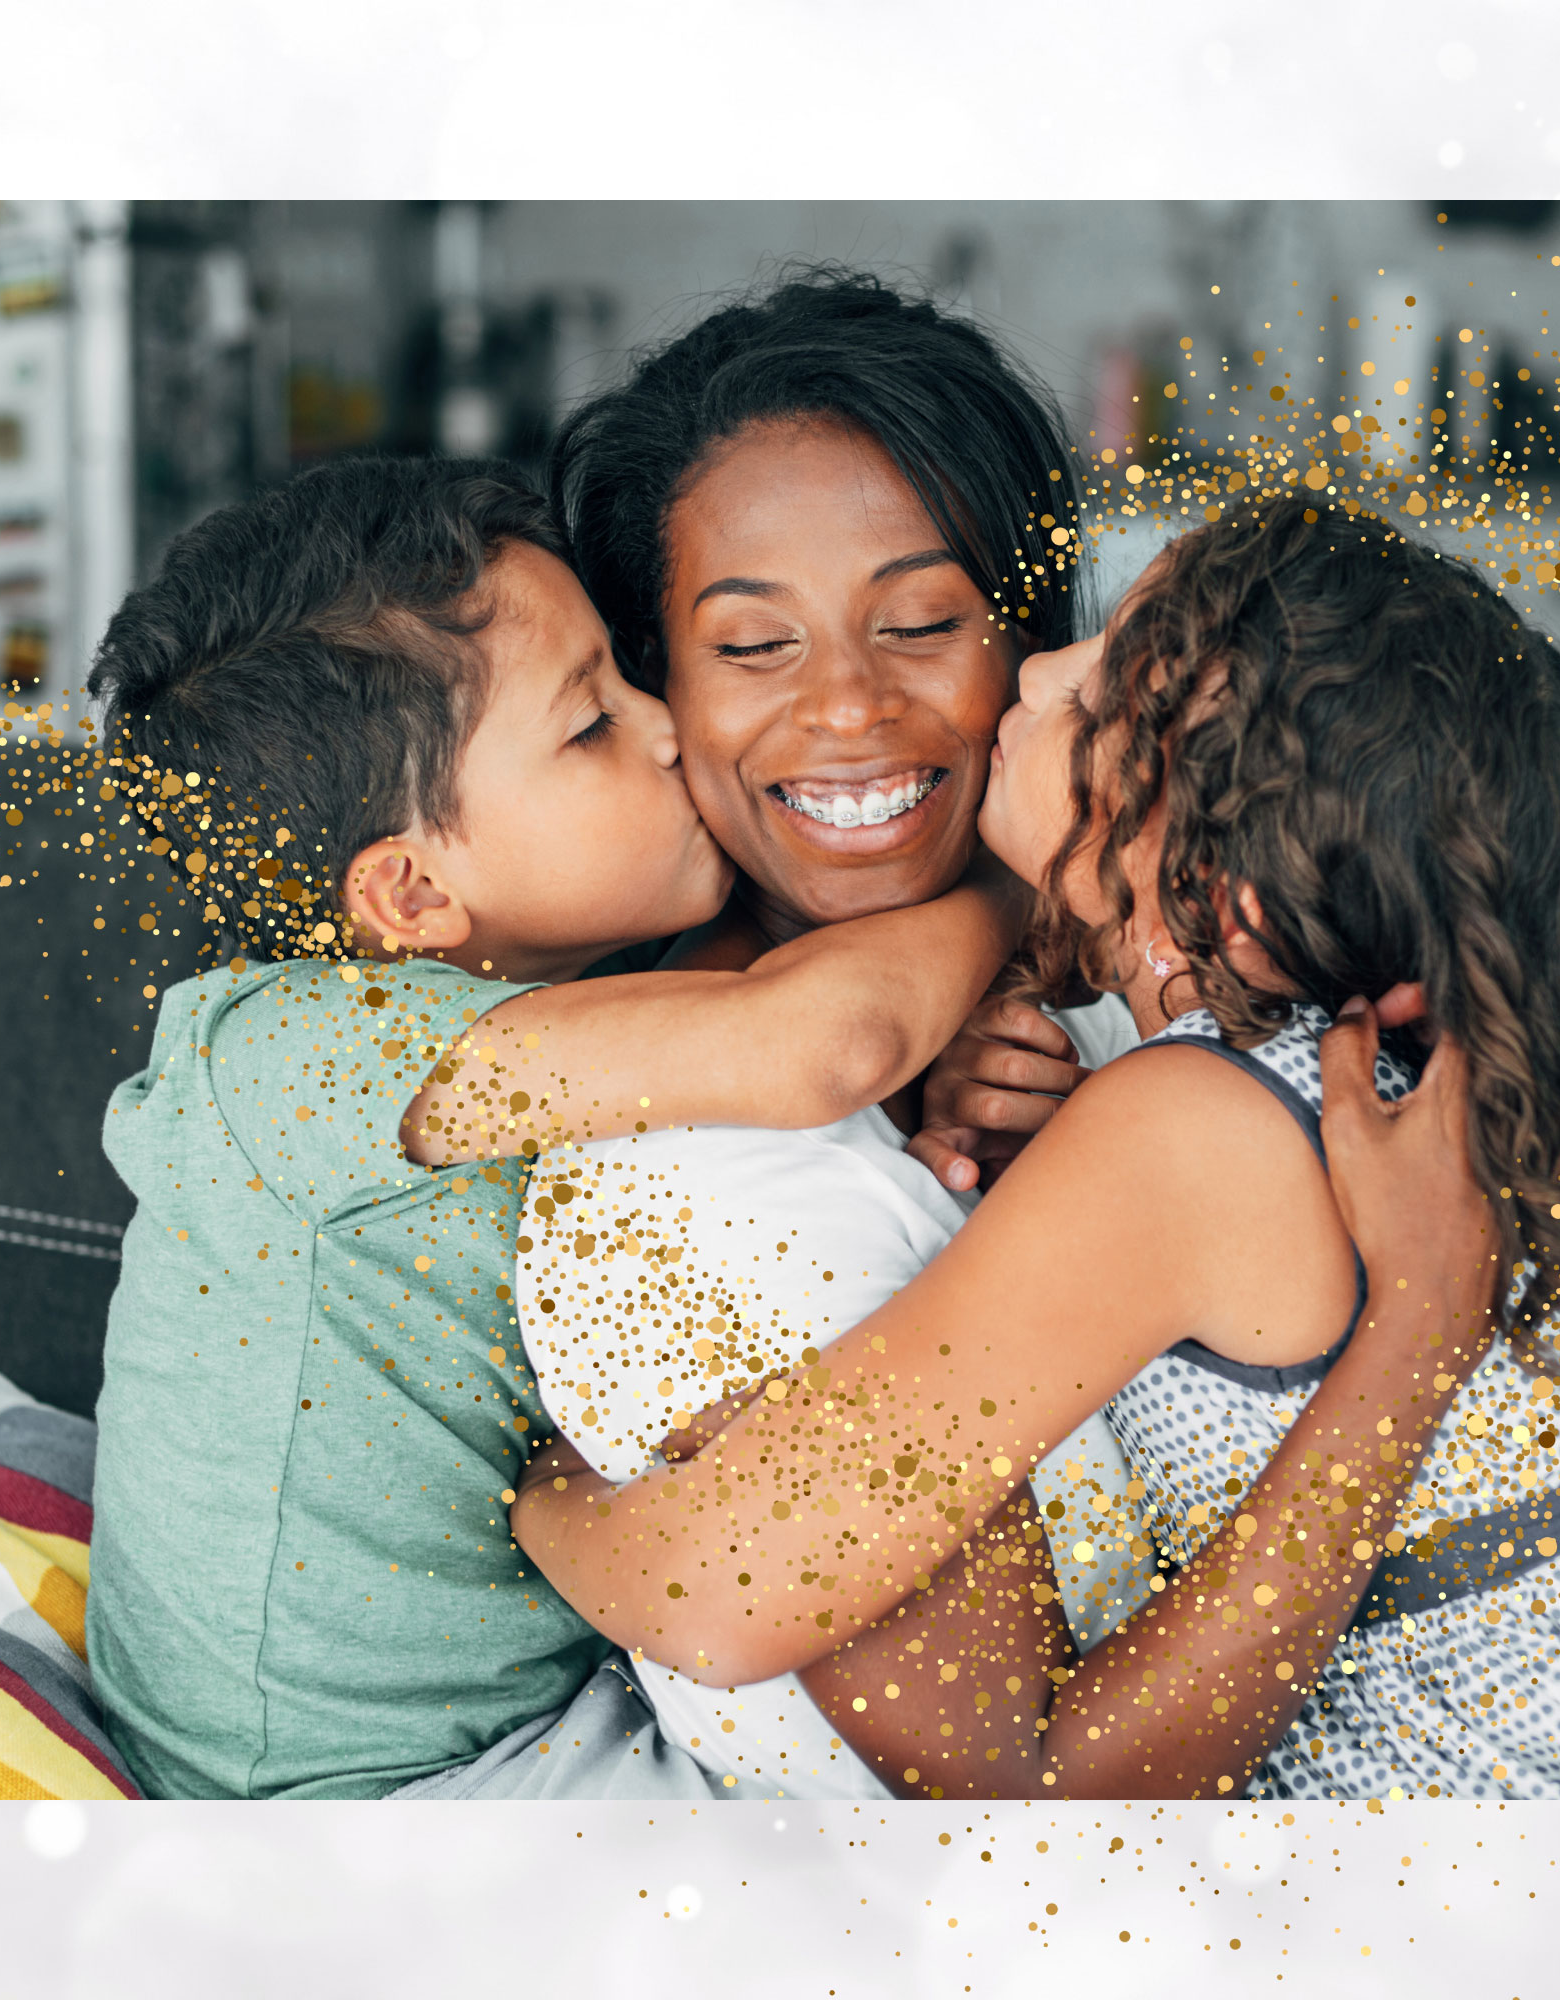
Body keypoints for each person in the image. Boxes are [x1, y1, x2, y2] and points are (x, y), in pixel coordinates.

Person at [514, 494, 1560, 1799]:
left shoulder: (1193, 1129)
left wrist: (550, 1496)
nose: (1037, 674)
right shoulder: (1389, 1081)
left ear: (1223, 889)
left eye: (1106, 691)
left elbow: (735, 1594)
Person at [77, 456, 1032, 1799]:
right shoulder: (303, 1058)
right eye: (592, 725)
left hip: (509, 1713)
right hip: (362, 1798)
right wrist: (1025, 865)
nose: (665, 729)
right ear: (408, 893)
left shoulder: (516, 1013)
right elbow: (822, 1041)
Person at [484, 270, 1147, 1795]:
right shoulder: (688, 1174)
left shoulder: (1151, 975)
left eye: (920, 621)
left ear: (1030, 646)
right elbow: (1004, 1801)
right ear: (655, 698)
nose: (849, 707)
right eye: (756, 647)